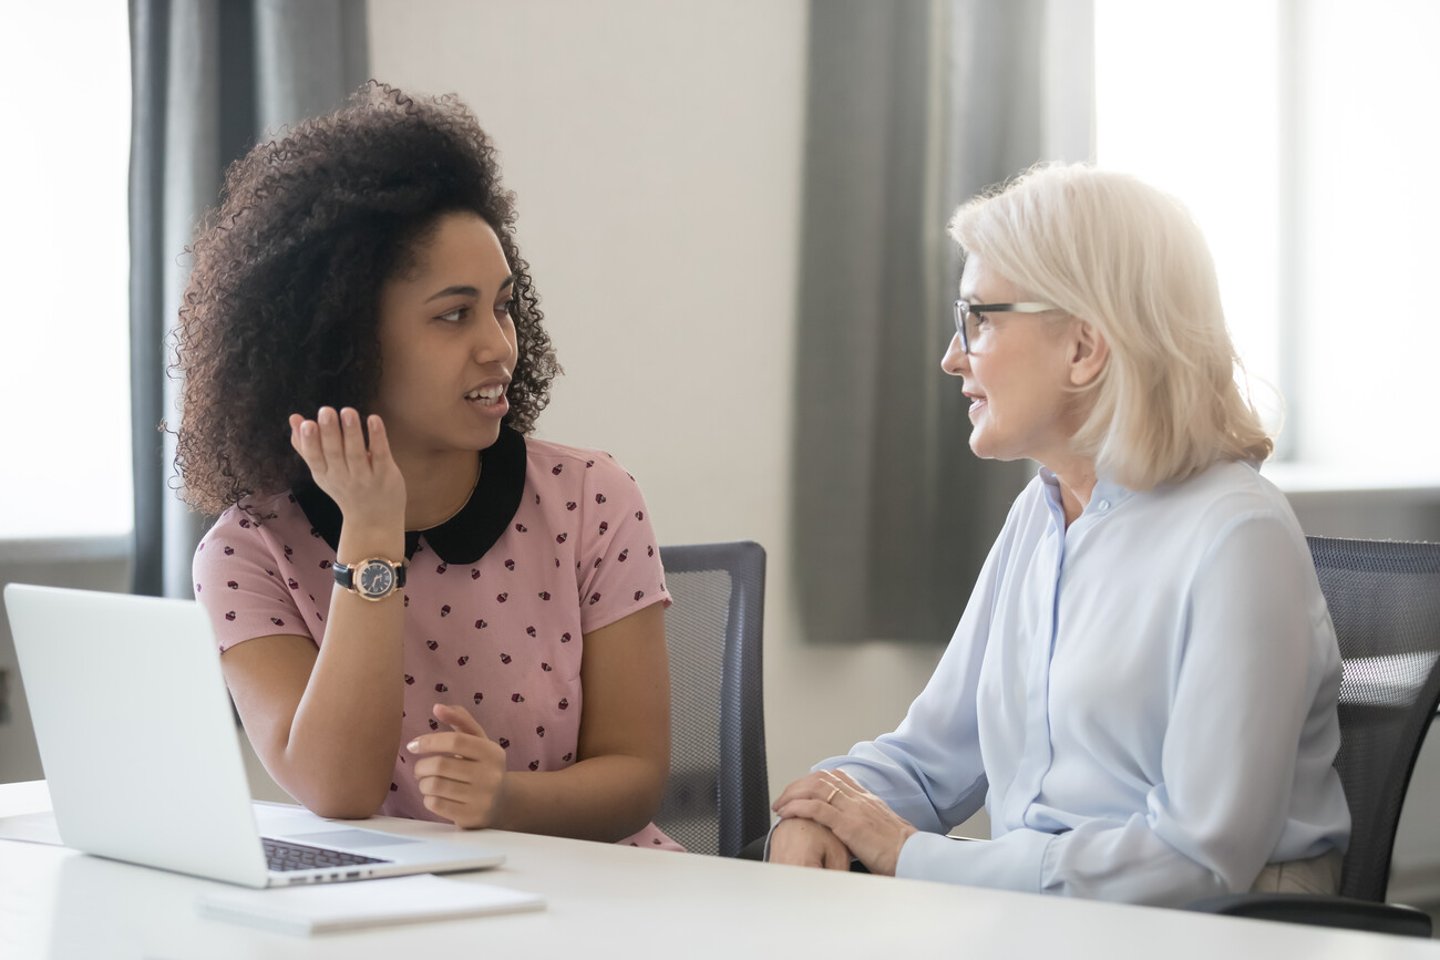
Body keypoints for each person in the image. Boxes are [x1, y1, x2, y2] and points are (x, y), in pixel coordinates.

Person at [767, 163, 1350, 904]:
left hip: (1216, 935)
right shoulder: (1039, 515)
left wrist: (909, 855)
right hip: (1043, 923)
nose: (952, 357)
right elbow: (930, 758)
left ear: (1083, 348)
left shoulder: (1238, 536)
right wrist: (821, 807)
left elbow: (1195, 861)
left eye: (979, 319)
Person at [177, 82, 680, 851]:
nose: (498, 346)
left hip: (603, 906)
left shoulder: (592, 499)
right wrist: (372, 532)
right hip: (391, 920)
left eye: (503, 306)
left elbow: (636, 777)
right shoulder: (246, 555)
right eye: (454, 315)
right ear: (343, 340)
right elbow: (338, 789)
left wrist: (505, 799)